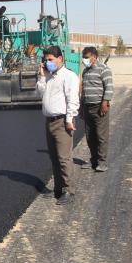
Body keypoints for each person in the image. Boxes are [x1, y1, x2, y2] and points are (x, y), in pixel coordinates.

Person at [36, 46, 80, 205]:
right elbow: (40, 94)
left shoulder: (69, 76)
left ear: (60, 59)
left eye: (50, 60)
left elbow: (72, 100)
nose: (47, 63)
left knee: (64, 158)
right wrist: (42, 77)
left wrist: (69, 120)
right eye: (46, 60)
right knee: (54, 158)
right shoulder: (48, 77)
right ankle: (58, 189)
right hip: (49, 121)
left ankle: (69, 191)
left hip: (62, 122)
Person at [80, 46, 113, 172]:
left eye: (87, 57)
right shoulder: (85, 71)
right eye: (83, 58)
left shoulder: (104, 70)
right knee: (90, 136)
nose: (84, 60)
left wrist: (105, 102)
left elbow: (109, 87)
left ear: (94, 57)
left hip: (99, 107)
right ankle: (93, 159)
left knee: (101, 136)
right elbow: (84, 91)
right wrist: (81, 107)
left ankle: (102, 162)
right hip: (88, 107)